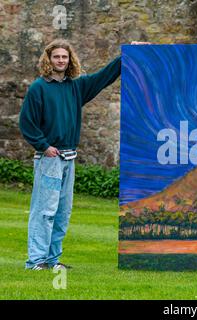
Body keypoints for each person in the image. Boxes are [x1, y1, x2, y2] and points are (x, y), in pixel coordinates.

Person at [19, 39, 147, 270]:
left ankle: (51, 260)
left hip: (69, 157)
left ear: (70, 60)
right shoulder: (39, 88)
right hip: (50, 159)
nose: (60, 60)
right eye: (56, 57)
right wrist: (43, 146)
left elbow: (104, 76)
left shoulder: (75, 87)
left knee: (62, 212)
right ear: (48, 59)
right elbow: (26, 123)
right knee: (45, 211)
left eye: (64, 57)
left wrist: (129, 53)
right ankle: (35, 261)